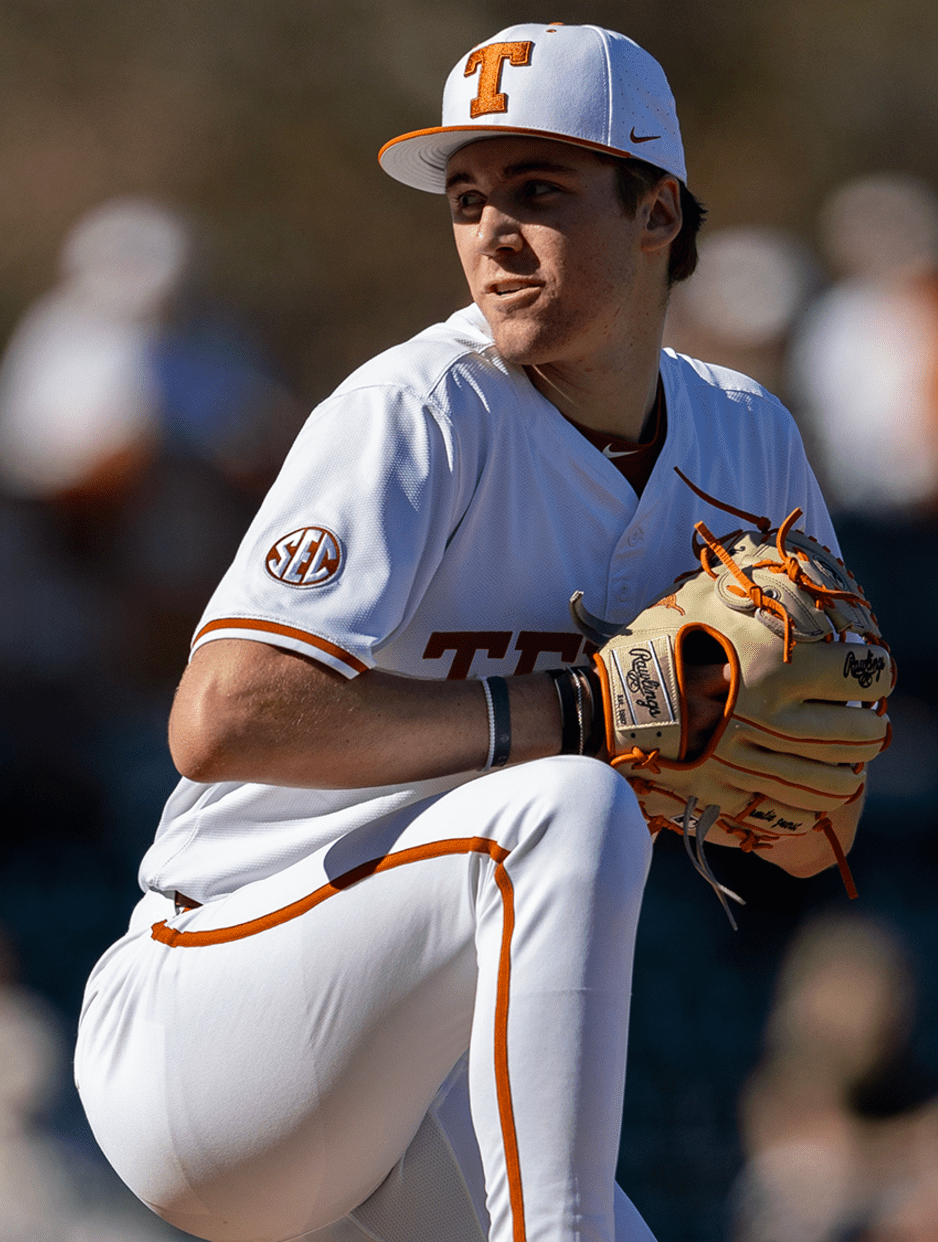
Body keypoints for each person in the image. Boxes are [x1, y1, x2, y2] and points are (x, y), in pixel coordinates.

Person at [75, 24, 858, 1242]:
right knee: (567, 802)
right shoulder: (417, 411)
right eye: (466, 198)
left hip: (418, 1072)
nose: (491, 235)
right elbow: (218, 716)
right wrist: (574, 714)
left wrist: (769, 773)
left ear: (658, 213)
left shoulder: (749, 441)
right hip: (214, 1005)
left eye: (537, 193)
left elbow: (813, 827)